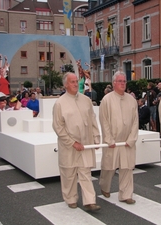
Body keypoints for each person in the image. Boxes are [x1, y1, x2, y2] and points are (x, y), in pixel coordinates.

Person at [52, 72, 101, 211]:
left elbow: (92, 120)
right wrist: (73, 143)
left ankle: (90, 201)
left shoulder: (86, 100)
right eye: (72, 82)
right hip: (69, 146)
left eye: (76, 81)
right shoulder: (59, 103)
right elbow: (58, 127)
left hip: (85, 144)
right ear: (66, 85)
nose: (75, 84)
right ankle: (71, 199)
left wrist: (96, 138)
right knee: (69, 174)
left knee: (85, 172)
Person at [99, 71, 138, 204]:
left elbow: (135, 121)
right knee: (109, 167)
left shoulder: (132, 100)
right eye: (120, 81)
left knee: (127, 167)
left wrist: (132, 138)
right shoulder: (107, 100)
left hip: (127, 141)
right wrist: (109, 139)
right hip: (113, 141)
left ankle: (126, 195)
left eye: (124, 81)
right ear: (114, 83)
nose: (123, 84)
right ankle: (104, 185)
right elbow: (104, 121)